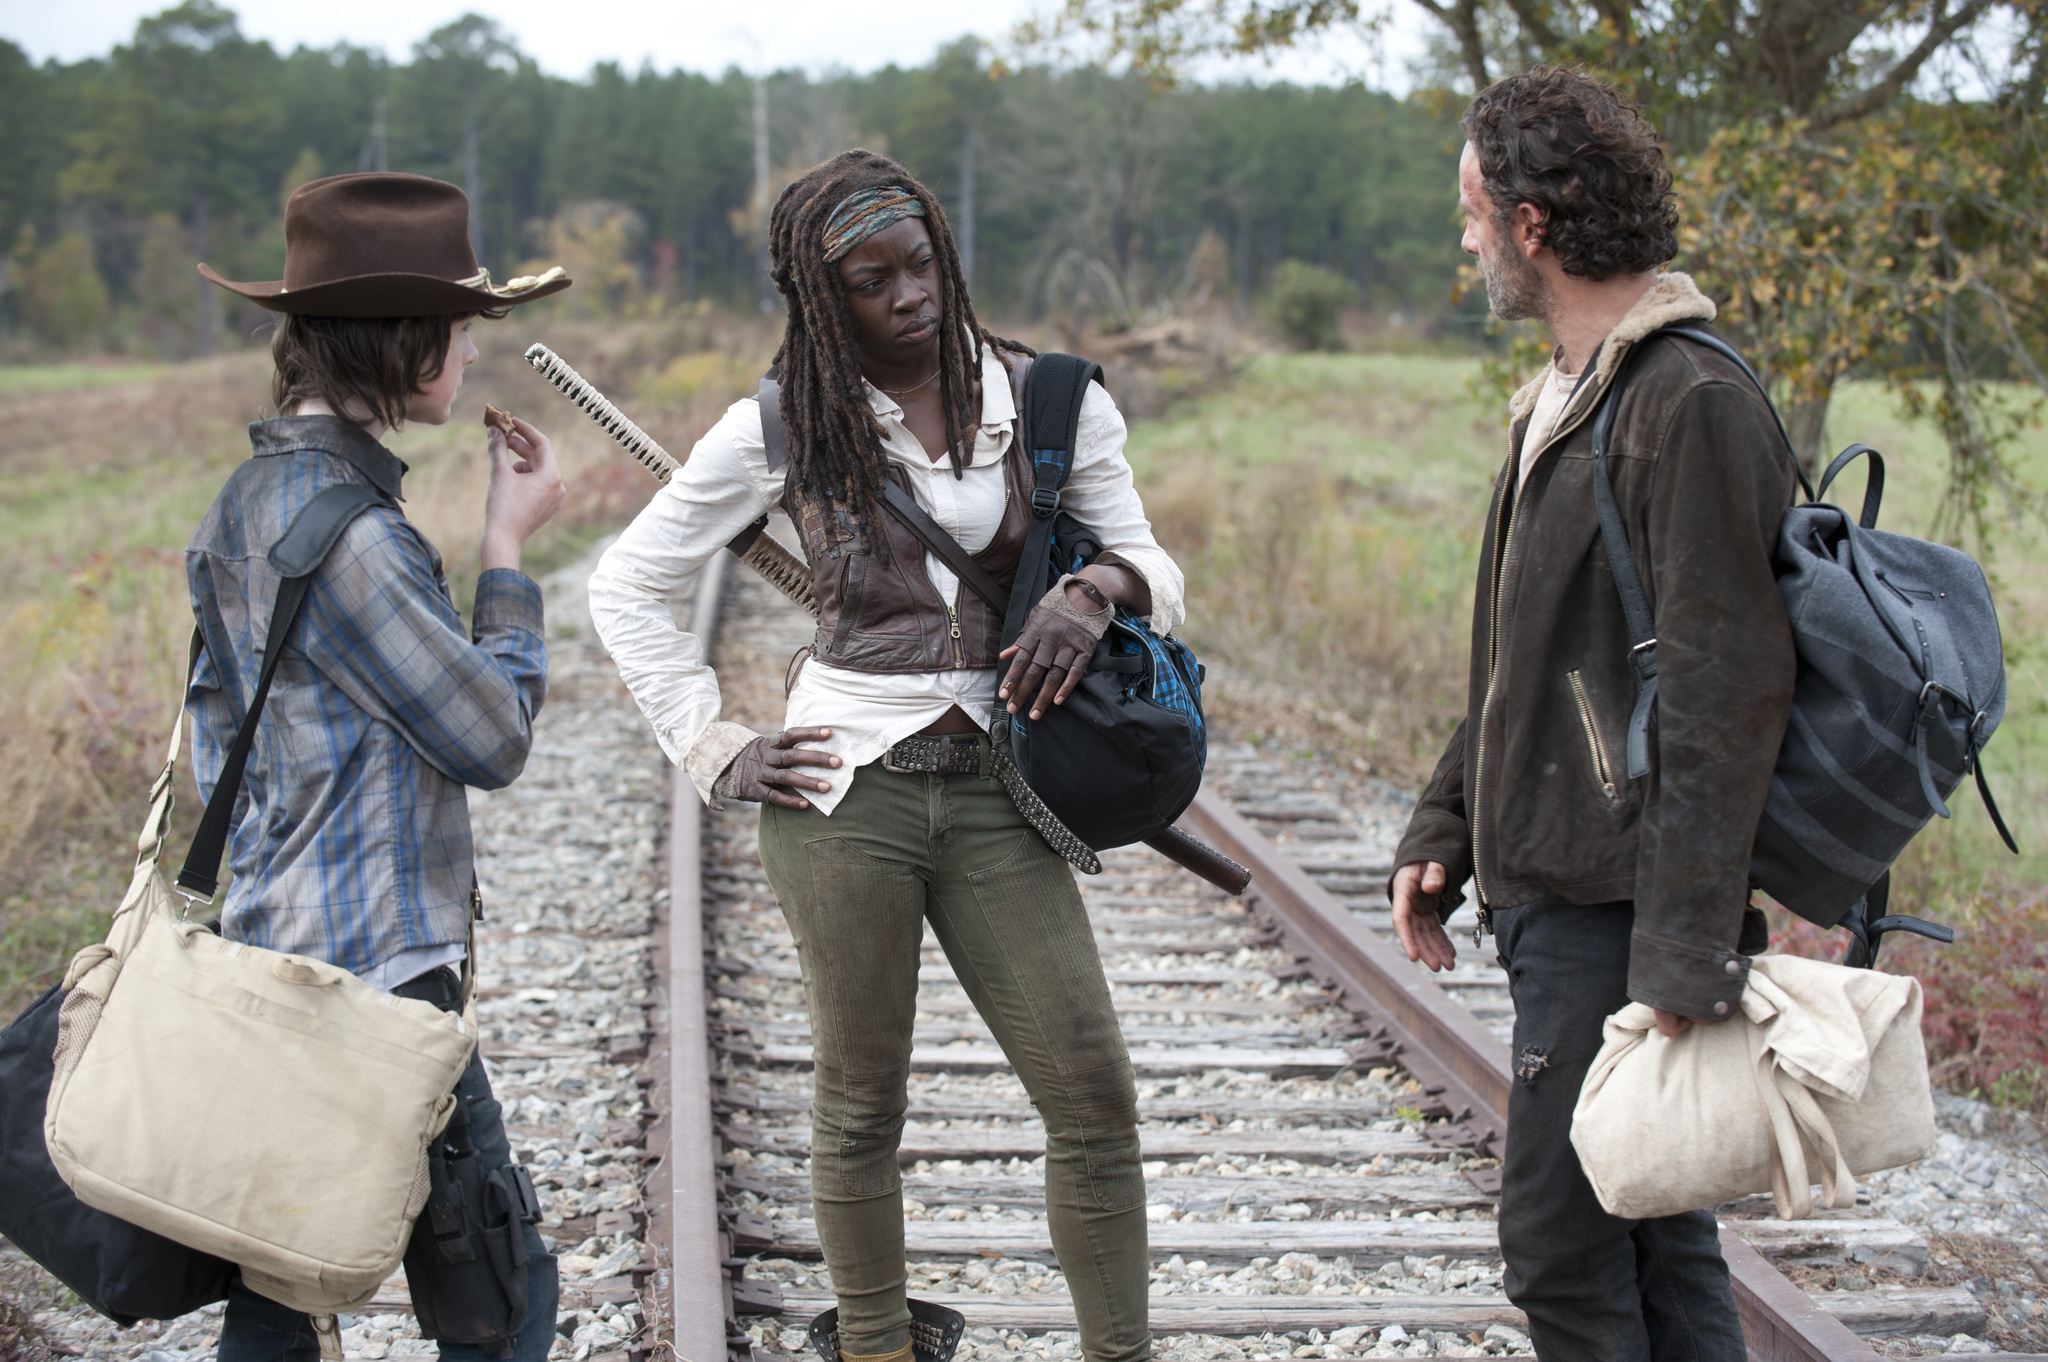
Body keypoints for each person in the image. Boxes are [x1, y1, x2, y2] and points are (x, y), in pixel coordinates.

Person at [588, 149, 1181, 1362]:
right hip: (839, 799)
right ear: (824, 300)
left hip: (1002, 794)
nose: (909, 295)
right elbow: (629, 581)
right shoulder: (779, 426)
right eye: (872, 280)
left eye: (919, 264)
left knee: (1092, 1099)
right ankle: (871, 1345)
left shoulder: (1054, 400)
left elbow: (1156, 571)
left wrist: (1091, 589)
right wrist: (712, 745)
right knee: (859, 1107)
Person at [1386, 70, 1800, 1359]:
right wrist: (1445, 820)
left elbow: (1729, 694)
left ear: (1530, 225)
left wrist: (1683, 960)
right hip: (1559, 894)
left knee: (1560, 1250)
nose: (1461, 240)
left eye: (1469, 212)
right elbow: (1523, 651)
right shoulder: (1567, 396)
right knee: (1657, 1237)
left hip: (1620, 910)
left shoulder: (1687, 404)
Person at [191, 172, 571, 1362]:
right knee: (502, 1299)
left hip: (276, 952)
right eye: (458, 330)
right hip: (375, 978)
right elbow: (491, 735)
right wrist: (505, 550)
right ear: (407, 342)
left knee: (282, 1288)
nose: (467, 354)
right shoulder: (355, 534)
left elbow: (216, 753)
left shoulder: (245, 502)